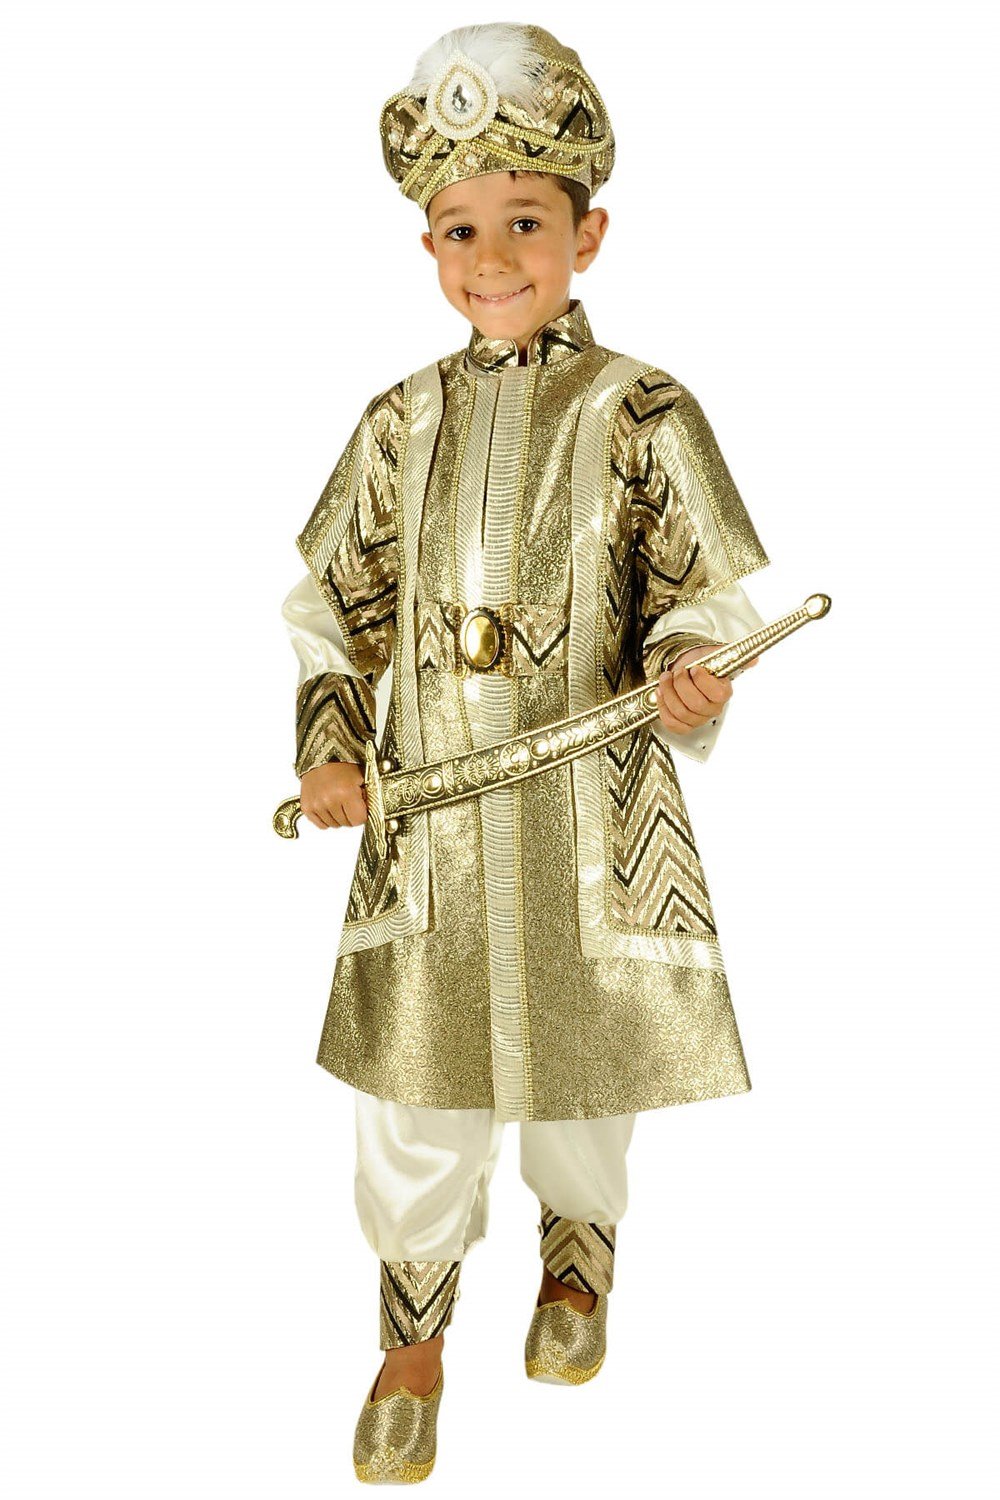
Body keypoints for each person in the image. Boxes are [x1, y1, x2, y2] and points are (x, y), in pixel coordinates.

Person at [280, 22, 770, 1484]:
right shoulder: (398, 423)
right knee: (414, 1094)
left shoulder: (642, 410)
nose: (492, 259)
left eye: (526, 225)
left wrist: (689, 673)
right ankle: (410, 1345)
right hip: (430, 821)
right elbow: (330, 607)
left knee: (580, 1072)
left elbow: (705, 599)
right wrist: (331, 747)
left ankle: (577, 1261)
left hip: (585, 811)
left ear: (587, 234)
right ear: (427, 241)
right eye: (461, 230)